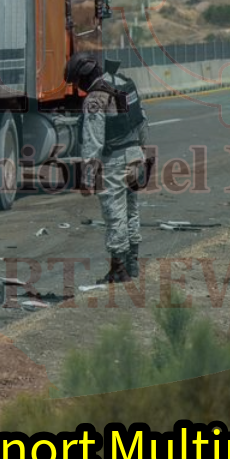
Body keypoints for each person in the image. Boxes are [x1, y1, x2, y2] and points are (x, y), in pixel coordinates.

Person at [69, 51, 148, 284]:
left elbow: (93, 142)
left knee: (115, 215)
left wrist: (88, 177)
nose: (78, 87)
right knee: (132, 210)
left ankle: (119, 269)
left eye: (76, 81)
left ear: (83, 77)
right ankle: (133, 262)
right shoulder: (124, 83)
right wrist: (141, 151)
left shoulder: (95, 98)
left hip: (115, 160)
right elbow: (142, 121)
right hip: (135, 155)